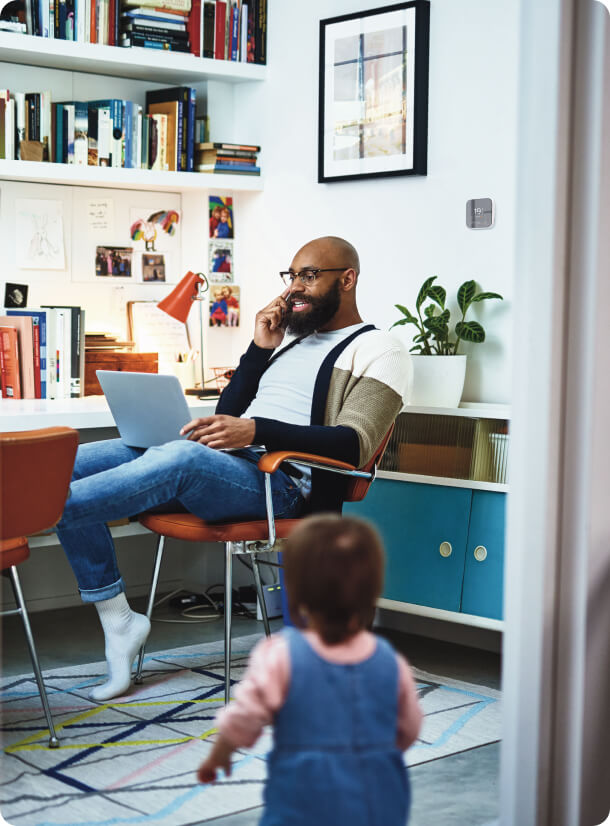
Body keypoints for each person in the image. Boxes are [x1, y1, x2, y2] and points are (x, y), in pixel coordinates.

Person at [55, 235, 412, 702]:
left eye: (309, 276)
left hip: (279, 485)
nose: (295, 290)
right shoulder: (286, 342)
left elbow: (352, 446)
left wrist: (255, 430)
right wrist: (259, 348)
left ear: (347, 279)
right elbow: (227, 412)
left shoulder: (380, 350)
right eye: (291, 277)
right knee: (68, 464)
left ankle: (32, 513)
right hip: (225, 465)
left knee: (180, 456)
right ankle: (118, 620)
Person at [197, 514, 422, 826]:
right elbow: (408, 729)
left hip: (303, 799)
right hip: (379, 800)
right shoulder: (389, 661)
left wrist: (219, 753)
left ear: (295, 592)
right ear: (373, 591)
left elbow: (245, 716)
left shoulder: (280, 655)